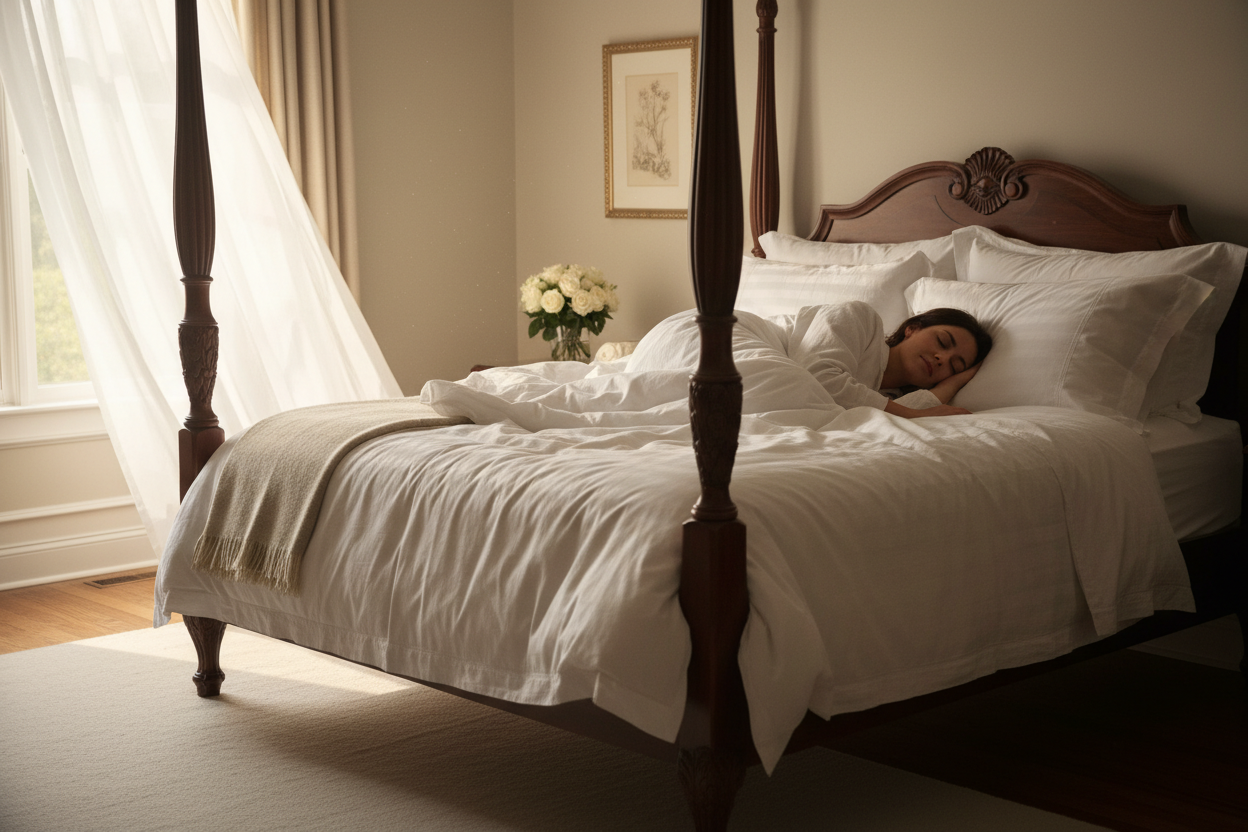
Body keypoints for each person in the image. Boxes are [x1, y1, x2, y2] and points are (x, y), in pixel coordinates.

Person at [789, 301, 993, 419]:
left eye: (954, 366)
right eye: (942, 341)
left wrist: (954, 382)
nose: (942, 359)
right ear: (912, 328)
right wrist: (915, 416)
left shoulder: (891, 399)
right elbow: (814, 378)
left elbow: (911, 409)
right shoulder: (862, 318)